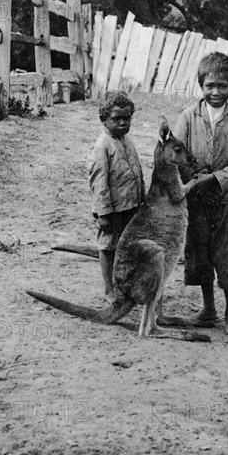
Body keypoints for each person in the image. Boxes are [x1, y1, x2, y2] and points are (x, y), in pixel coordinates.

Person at [174, 52, 228, 334]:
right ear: (201, 85)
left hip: (224, 203)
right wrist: (196, 184)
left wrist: (216, 182)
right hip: (196, 202)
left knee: (225, 254)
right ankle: (209, 308)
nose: (216, 92)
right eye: (210, 86)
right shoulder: (188, 116)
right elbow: (177, 154)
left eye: (222, 86)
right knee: (200, 254)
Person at [88, 91, 145, 300]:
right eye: (116, 119)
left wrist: (142, 200)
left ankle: (127, 285)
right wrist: (103, 213)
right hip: (113, 209)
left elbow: (136, 171)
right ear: (104, 119)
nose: (122, 123)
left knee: (129, 245)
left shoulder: (127, 141)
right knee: (109, 246)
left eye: (127, 118)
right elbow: (99, 183)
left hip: (132, 205)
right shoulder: (102, 146)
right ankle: (109, 289)